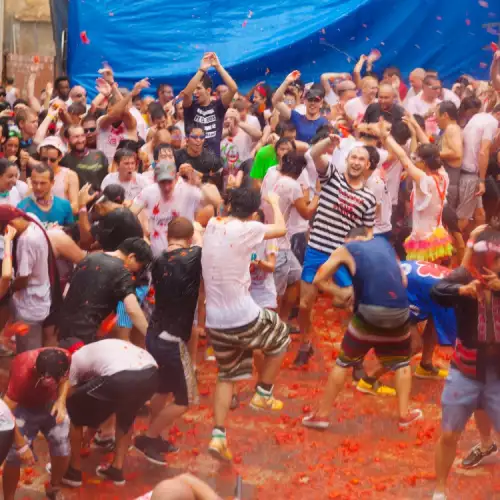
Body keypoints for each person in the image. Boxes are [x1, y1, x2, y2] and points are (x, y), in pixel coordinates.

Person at [302, 228, 423, 430]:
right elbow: (403, 281)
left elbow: (318, 279)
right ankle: (404, 415)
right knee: (402, 362)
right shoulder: (385, 244)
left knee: (343, 362)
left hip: (369, 311)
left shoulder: (346, 248)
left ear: (349, 238)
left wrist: (342, 291)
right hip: (399, 310)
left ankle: (322, 415)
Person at [202, 188, 290, 461]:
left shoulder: (213, 225)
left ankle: (218, 436)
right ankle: (263, 392)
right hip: (242, 315)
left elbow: (220, 206)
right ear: (253, 214)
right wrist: (275, 203)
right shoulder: (248, 228)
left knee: (226, 375)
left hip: (214, 320)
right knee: (282, 336)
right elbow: (281, 229)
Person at [430, 224, 500, 500]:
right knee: (448, 435)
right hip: (465, 371)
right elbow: (437, 291)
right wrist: (462, 291)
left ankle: (486, 444)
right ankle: (439, 491)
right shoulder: (463, 276)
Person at [296, 137, 376, 366]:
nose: (357, 162)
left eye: (362, 159)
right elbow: (313, 154)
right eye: (354, 157)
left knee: (352, 303)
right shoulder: (332, 178)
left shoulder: (369, 198)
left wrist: (363, 249)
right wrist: (327, 142)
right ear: (347, 160)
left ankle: (355, 354)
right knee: (304, 305)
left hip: (342, 255)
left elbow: (368, 232)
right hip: (316, 249)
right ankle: (305, 343)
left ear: (367, 165)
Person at [134, 217, 202, 465]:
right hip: (173, 340)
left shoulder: (159, 259)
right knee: (186, 400)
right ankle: (148, 438)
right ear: (190, 238)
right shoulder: (193, 257)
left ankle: (156, 434)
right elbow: (202, 245)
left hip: (155, 334)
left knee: (162, 389)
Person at [60, 338, 158, 486]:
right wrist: (90, 432)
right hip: (151, 375)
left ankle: (73, 471)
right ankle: (117, 470)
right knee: (126, 415)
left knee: (72, 405)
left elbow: (70, 394)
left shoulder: (74, 359)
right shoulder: (100, 349)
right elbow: (105, 402)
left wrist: (84, 431)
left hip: (122, 376)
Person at [375, 121, 453, 263]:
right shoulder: (443, 175)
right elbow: (433, 151)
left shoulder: (424, 180)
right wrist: (415, 128)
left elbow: (403, 159)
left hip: (423, 239)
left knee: (422, 271)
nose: (414, 160)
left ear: (424, 162)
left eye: (416, 158)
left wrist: (387, 138)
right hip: (437, 234)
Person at [2, 347, 71, 500]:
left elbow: (65, 380)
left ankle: (54, 486)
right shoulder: (22, 373)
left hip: (51, 403)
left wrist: (61, 401)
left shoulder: (65, 357)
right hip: (23, 407)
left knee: (62, 446)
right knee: (13, 456)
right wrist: (22, 446)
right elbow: (5, 413)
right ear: (35, 369)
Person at [58, 237, 152, 345]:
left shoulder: (89, 258)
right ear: (131, 257)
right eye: (139, 266)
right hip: (86, 332)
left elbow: (66, 291)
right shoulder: (122, 272)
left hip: (64, 325)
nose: (137, 271)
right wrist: (150, 336)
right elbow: (132, 309)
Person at [261, 152, 319, 321]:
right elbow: (307, 213)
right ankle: (273, 328)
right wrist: (317, 195)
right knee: (275, 295)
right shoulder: (292, 185)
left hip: (276, 241)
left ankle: (283, 321)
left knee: (296, 277)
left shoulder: (276, 179)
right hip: (278, 246)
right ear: (300, 171)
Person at [0, 206, 61, 352]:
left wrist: (8, 242)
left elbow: (14, 277)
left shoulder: (27, 241)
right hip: (40, 293)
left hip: (30, 304)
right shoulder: (31, 219)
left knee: (29, 351)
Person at [131, 161, 220, 257]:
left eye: (169, 181)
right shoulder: (149, 192)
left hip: (184, 255)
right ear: (156, 180)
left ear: (176, 178)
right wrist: (143, 236)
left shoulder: (187, 190)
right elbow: (130, 213)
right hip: (158, 255)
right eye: (162, 182)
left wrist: (199, 184)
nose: (166, 187)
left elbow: (216, 202)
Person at [182, 53, 237, 156]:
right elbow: (187, 93)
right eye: (194, 89)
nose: (195, 92)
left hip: (213, 165)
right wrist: (201, 70)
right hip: (192, 163)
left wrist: (218, 67)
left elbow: (233, 88)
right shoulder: (190, 107)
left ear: (208, 90)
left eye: (198, 89)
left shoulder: (218, 106)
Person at [457, 105, 500, 230]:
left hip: (466, 171)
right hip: (470, 175)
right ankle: (447, 247)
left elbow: (490, 149)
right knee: (463, 219)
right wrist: (481, 180)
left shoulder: (479, 116)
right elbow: (483, 152)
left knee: (480, 213)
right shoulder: (492, 122)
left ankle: (479, 244)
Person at [78, 183, 143, 251]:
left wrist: (82, 207)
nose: (90, 217)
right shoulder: (119, 212)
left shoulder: (115, 215)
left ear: (98, 207)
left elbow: (86, 242)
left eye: (90, 213)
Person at [96, 78, 148, 164]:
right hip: (105, 170)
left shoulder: (131, 122)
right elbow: (114, 114)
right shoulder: (101, 121)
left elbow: (124, 110)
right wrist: (130, 94)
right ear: (108, 107)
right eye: (116, 107)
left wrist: (130, 94)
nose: (119, 110)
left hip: (127, 168)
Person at [273, 73, 329, 142]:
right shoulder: (296, 117)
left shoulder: (325, 123)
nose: (313, 103)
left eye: (316, 100)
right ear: (305, 101)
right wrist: (286, 82)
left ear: (321, 103)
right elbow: (276, 101)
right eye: (310, 99)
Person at [174, 125, 224, 191]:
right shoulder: (176, 155)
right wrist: (179, 174)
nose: (198, 140)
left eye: (201, 137)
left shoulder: (211, 158)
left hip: (203, 195)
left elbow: (217, 183)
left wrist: (195, 173)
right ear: (187, 139)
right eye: (194, 137)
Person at [37, 135, 79, 213]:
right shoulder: (36, 174)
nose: (48, 163)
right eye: (44, 159)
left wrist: (53, 211)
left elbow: (75, 206)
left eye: (52, 160)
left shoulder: (70, 175)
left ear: (60, 157)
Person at [60, 124, 109, 191]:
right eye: (76, 137)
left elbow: (108, 179)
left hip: (99, 199)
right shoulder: (64, 160)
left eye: (82, 135)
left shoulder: (99, 155)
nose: (80, 140)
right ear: (67, 139)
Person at [435, 101, 463, 212]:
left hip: (449, 183)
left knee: (445, 221)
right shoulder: (449, 129)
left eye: (436, 114)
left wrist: (433, 153)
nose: (435, 118)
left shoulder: (452, 129)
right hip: (446, 182)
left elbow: (457, 153)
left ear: (445, 115)